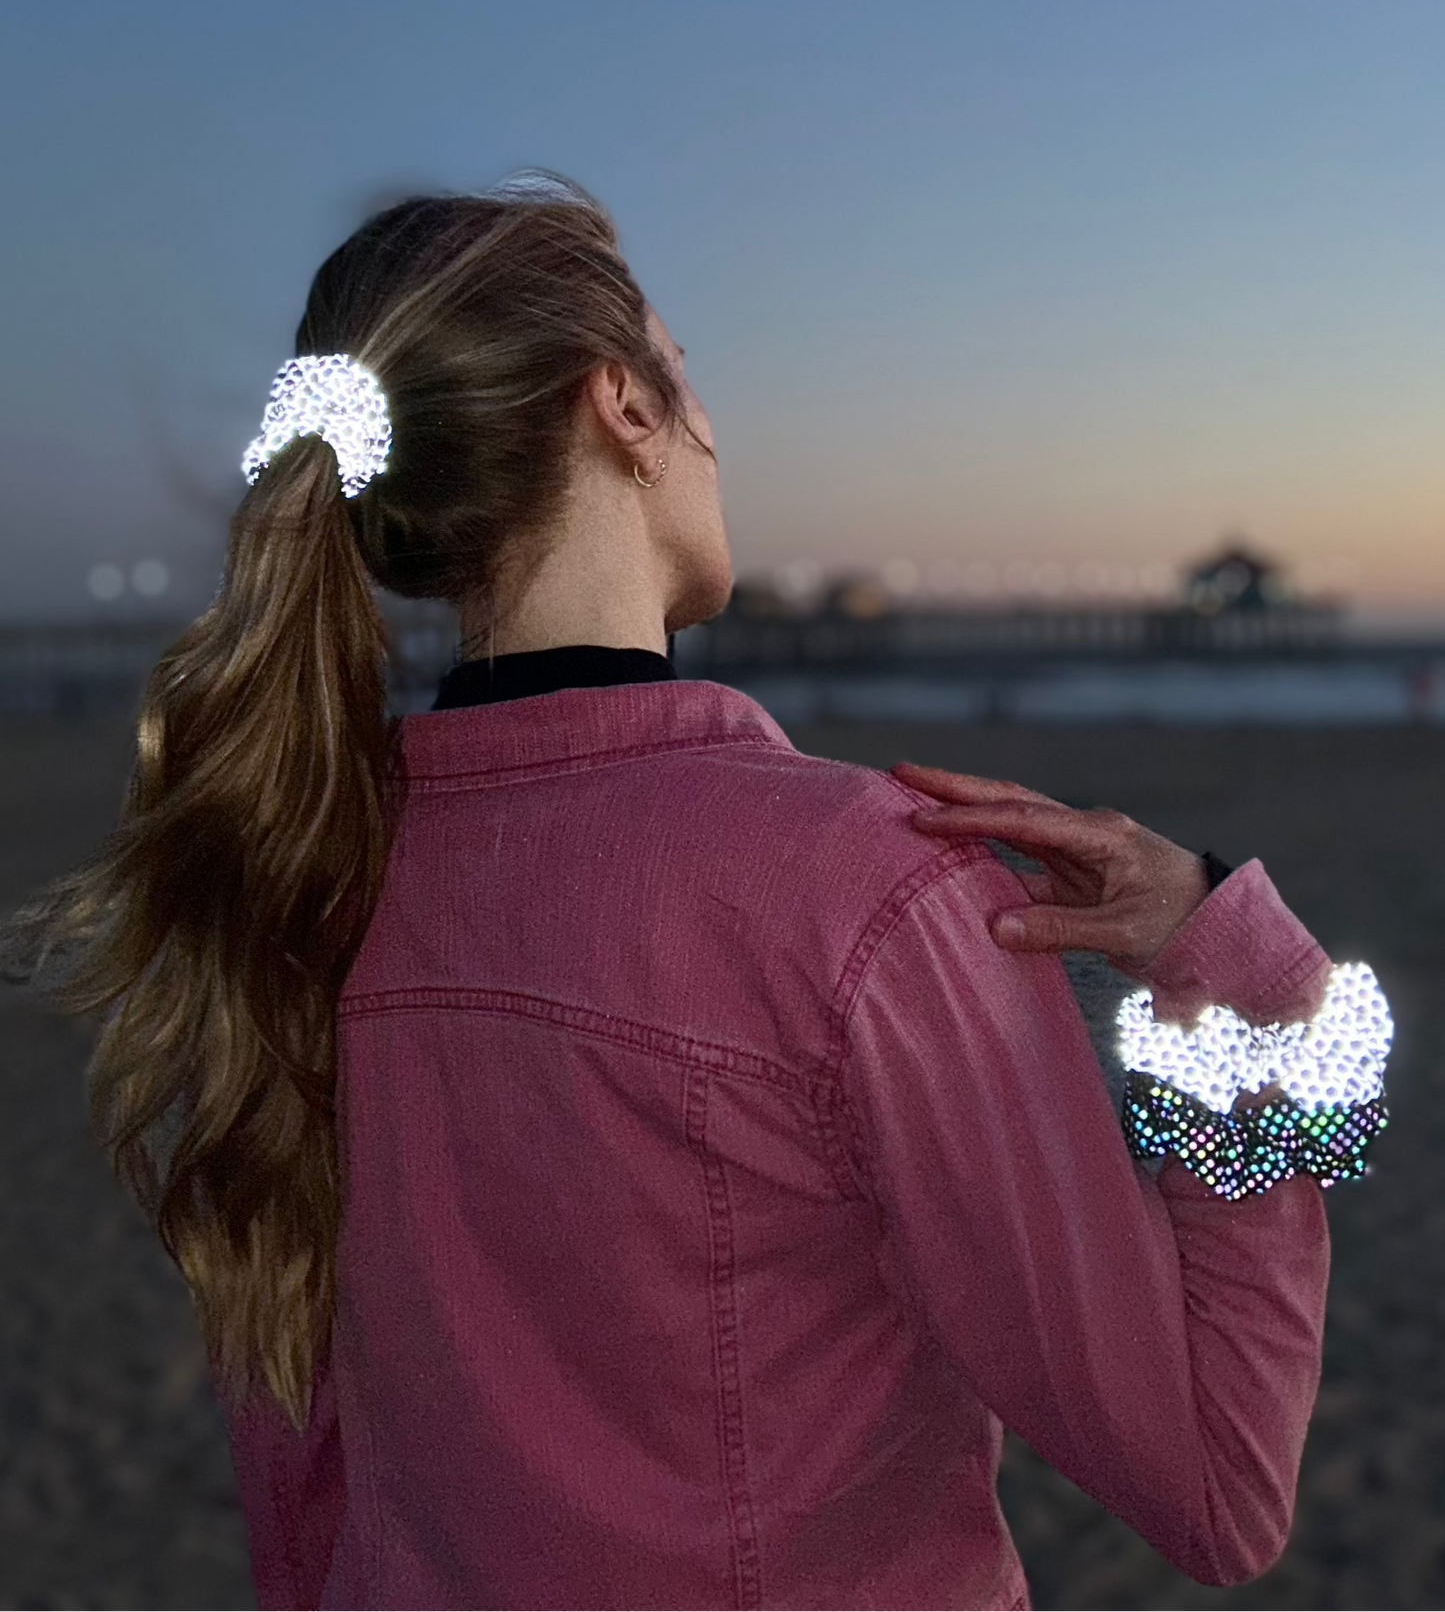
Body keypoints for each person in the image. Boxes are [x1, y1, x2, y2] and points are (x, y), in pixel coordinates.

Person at [8, 174, 1392, 1612]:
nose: (715, 426)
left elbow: (300, 1481)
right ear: (623, 405)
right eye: (686, 370)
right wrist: (1239, 975)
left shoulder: (296, 875)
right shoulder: (860, 886)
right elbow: (1219, 1482)